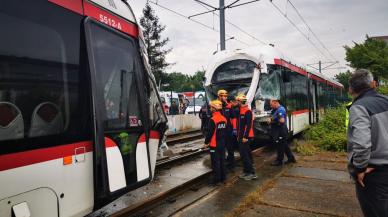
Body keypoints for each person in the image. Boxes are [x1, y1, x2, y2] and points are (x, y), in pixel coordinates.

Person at [347, 69, 388, 217]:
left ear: (350, 89)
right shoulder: (386, 100)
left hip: (374, 173)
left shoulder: (359, 107)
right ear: (373, 84)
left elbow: (363, 144)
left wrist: (359, 168)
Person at [204, 100, 227, 185]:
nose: (210, 109)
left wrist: (206, 142)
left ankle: (217, 180)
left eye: (211, 107)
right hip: (222, 143)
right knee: (222, 161)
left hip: (214, 144)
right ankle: (223, 178)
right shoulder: (224, 119)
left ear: (214, 108)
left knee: (215, 162)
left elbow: (209, 133)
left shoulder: (213, 120)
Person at [268, 99, 296, 166]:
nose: (271, 106)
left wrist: (271, 122)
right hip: (278, 131)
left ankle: (279, 161)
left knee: (280, 146)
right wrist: (270, 119)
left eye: (271, 105)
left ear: (276, 103)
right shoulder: (275, 110)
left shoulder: (281, 110)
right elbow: (272, 116)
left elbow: (282, 121)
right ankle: (291, 158)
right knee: (284, 145)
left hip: (281, 131)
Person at [236, 94, 257, 180]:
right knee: (244, 154)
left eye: (238, 101)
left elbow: (249, 125)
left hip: (246, 137)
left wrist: (245, 136)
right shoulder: (241, 110)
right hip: (242, 136)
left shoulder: (247, 111)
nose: (237, 103)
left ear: (240, 102)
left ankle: (251, 173)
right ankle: (246, 171)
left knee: (245, 155)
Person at [217, 90, 235, 170]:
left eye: (225, 96)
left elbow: (233, 117)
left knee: (230, 147)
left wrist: (234, 128)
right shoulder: (217, 106)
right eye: (223, 96)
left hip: (228, 130)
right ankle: (222, 165)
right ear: (219, 96)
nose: (224, 98)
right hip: (220, 130)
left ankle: (231, 164)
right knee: (221, 148)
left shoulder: (229, 106)